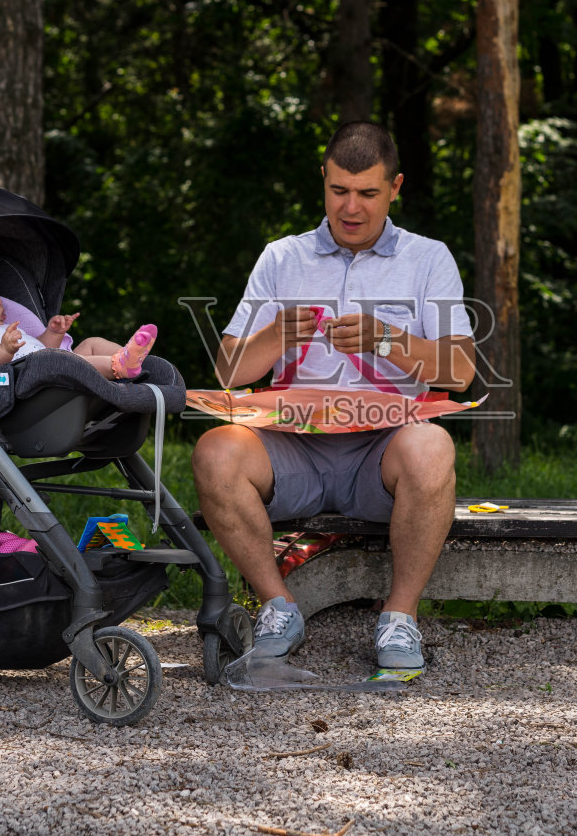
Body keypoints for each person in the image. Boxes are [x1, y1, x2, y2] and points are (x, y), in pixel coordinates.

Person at [192, 121, 477, 672]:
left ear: (395, 188)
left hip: (382, 452)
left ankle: (399, 618)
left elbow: (461, 371)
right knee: (215, 450)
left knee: (433, 446)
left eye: (368, 193)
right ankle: (278, 605)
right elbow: (229, 368)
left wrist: (387, 339)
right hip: (291, 449)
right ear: (322, 180)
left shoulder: (428, 258)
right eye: (339, 190)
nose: (352, 207)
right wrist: (278, 334)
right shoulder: (282, 257)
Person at [0, 266, 156, 380]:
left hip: (54, 367)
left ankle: (138, 361)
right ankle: (120, 365)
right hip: (37, 381)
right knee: (68, 361)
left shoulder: (3, 328)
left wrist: (53, 333)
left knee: (91, 343)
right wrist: (4, 350)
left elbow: (40, 347)